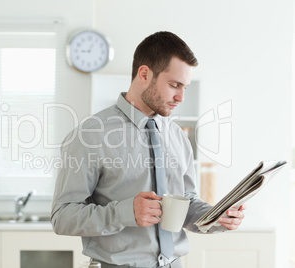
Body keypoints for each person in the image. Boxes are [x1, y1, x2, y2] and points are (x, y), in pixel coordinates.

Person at [51, 31, 245, 268]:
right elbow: (62, 217)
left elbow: (187, 202)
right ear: (144, 74)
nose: (181, 97)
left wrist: (216, 217)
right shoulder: (91, 135)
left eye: (185, 87)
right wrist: (124, 213)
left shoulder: (177, 135)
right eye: (174, 85)